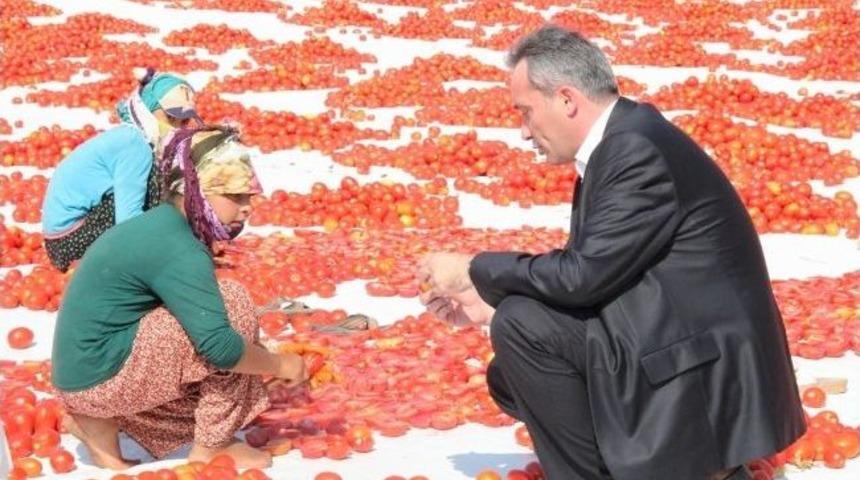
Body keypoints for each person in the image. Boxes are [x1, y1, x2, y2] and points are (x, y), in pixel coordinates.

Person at [418, 25, 806, 480]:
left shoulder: (633, 149)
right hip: (674, 336)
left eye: (526, 113)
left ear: (566, 99)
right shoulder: (625, 139)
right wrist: (489, 304)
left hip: (706, 367)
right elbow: (603, 272)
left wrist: (474, 268)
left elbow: (583, 276)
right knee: (514, 356)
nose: (524, 132)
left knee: (523, 327)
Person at [51, 125, 305, 470]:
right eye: (235, 196)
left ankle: (95, 422)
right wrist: (280, 364)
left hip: (82, 376)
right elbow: (222, 349)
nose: (246, 209)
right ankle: (212, 446)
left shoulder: (159, 222)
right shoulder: (180, 247)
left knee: (211, 323)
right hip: (101, 378)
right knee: (233, 309)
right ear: (195, 192)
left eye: (249, 197)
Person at [41, 69, 203, 272]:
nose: (177, 128)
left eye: (184, 121)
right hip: (70, 243)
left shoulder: (131, 135)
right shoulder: (136, 145)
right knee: (156, 185)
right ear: (148, 109)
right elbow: (128, 218)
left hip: (61, 239)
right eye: (171, 118)